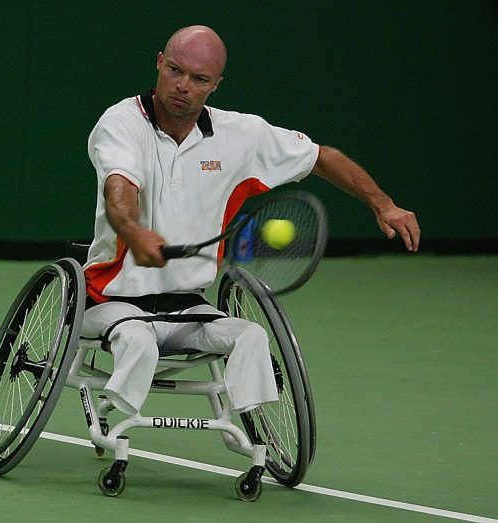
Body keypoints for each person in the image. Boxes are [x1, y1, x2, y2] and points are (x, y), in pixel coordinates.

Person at [81, 25, 420, 417]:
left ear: (216, 85)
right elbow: (119, 188)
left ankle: (258, 440)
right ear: (159, 62)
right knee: (138, 339)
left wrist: (383, 204)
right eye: (175, 70)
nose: (183, 86)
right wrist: (134, 231)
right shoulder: (121, 122)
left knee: (251, 335)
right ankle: (114, 418)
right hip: (112, 300)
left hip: (189, 307)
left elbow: (321, 157)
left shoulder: (240, 134)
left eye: (199, 79)